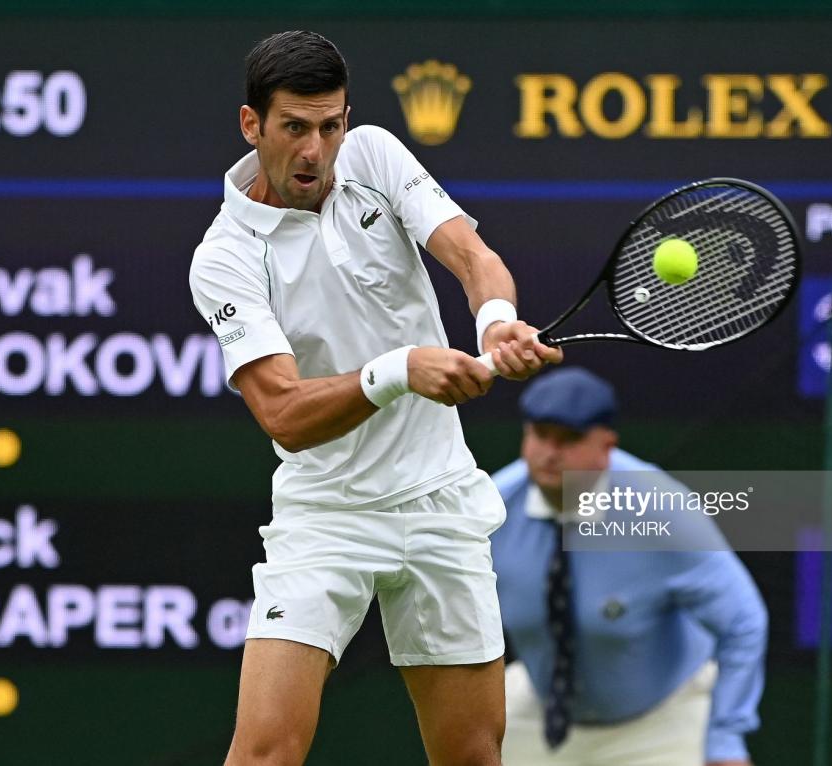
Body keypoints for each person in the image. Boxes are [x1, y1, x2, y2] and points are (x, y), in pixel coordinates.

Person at [188, 30, 562, 766]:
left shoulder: (376, 155)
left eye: (331, 126)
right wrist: (399, 370)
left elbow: (472, 256)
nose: (315, 151)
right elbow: (285, 415)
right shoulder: (225, 257)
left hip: (439, 502)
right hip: (327, 515)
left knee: (473, 756)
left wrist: (495, 324)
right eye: (294, 128)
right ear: (251, 124)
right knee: (264, 753)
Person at [490, 367, 767, 766]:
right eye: (539, 434)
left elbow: (743, 622)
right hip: (540, 711)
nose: (549, 452)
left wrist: (726, 738)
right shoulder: (490, 509)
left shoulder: (663, 509)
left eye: (568, 438)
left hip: (662, 719)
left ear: (606, 446)